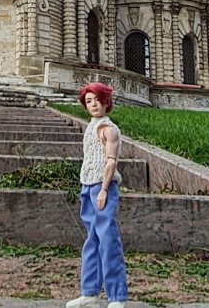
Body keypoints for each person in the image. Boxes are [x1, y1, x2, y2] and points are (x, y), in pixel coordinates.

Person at [66, 82, 128, 308]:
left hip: (102, 188)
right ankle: (90, 292)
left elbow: (111, 160)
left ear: (106, 102)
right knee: (91, 241)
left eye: (97, 100)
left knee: (108, 240)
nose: (93, 105)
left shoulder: (108, 129)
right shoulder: (91, 127)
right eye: (88, 101)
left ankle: (117, 296)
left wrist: (103, 189)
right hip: (87, 186)